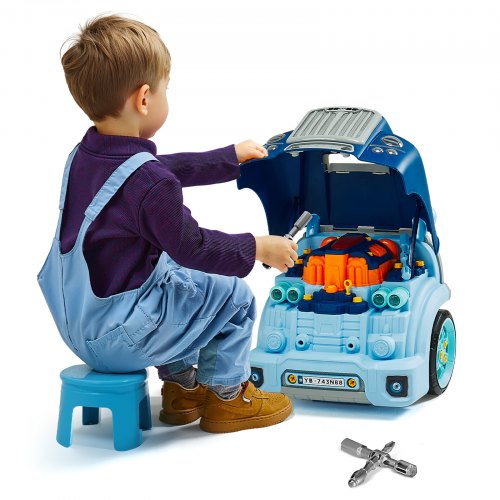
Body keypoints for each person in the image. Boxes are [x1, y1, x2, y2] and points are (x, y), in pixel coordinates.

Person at [38, 14, 298, 433]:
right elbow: (194, 246)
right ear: (144, 98)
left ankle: (182, 390)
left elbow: (157, 169)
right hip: (122, 339)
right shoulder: (149, 181)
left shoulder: (85, 156)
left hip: (80, 326)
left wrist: (227, 158)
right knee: (234, 297)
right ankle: (229, 398)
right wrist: (258, 247)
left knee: (173, 278)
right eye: (166, 88)